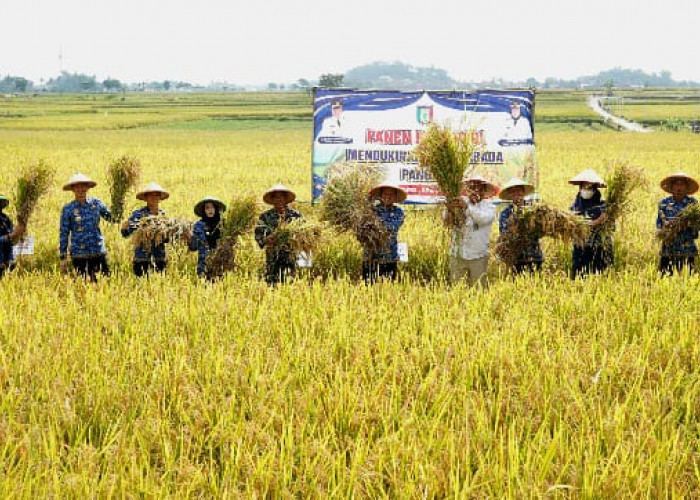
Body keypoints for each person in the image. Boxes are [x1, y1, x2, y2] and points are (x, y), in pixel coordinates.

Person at [59, 173, 113, 282]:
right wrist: (63, 257)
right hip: (79, 254)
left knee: (104, 283)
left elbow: (111, 218)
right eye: (77, 186)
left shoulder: (97, 204)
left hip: (98, 250)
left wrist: (118, 207)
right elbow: (64, 234)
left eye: (83, 185)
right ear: (73, 189)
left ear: (88, 187)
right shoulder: (68, 209)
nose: (81, 189)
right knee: (82, 285)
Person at [446, 175, 498, 287]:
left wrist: (467, 208)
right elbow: (447, 223)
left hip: (478, 255)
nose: (475, 190)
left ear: (484, 190)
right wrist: (449, 210)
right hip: (458, 254)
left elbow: (482, 219)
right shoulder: (460, 201)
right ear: (467, 189)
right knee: (457, 290)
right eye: (471, 187)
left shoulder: (489, 207)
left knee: (478, 290)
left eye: (478, 188)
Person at [255, 184, 303, 285]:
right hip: (273, 259)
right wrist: (268, 239)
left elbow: (306, 237)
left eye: (282, 197)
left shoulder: (296, 215)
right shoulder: (265, 216)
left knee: (295, 285)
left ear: (286, 199)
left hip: (293, 257)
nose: (279, 199)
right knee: (273, 285)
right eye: (276, 197)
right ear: (272, 200)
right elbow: (259, 237)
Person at [569, 169, 613, 278]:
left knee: (600, 278)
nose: (586, 190)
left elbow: (612, 228)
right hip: (581, 249)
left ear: (594, 189)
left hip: (600, 249)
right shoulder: (574, 208)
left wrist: (606, 220)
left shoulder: (605, 207)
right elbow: (572, 226)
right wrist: (596, 222)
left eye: (589, 187)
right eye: (584, 187)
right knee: (579, 277)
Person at [121, 182, 170, 277]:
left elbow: (166, 239)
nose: (154, 197)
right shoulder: (138, 214)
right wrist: (124, 228)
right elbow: (127, 234)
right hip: (142, 258)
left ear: (160, 198)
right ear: (146, 198)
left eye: (156, 195)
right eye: (150, 195)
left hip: (159, 257)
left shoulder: (163, 215)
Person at [656, 171, 699, 275]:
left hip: (687, 248)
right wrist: (665, 226)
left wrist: (687, 224)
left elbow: (698, 225)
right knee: (665, 276)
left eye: (682, 184)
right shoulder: (664, 203)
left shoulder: (693, 204)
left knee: (689, 277)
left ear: (687, 187)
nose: (679, 188)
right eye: (676, 184)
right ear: (671, 187)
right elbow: (659, 223)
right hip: (668, 248)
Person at [498, 178, 543, 274]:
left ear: (523, 192)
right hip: (516, 259)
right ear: (510, 195)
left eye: (518, 190)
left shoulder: (535, 209)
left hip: (534, 256)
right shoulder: (505, 214)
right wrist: (514, 227)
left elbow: (541, 231)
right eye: (513, 192)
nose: (516, 194)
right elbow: (504, 235)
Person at [363, 183, 406, 284]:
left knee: (388, 287)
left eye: (391, 194)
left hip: (389, 255)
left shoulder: (399, 212)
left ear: (395, 197)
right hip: (371, 255)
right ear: (380, 196)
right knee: (368, 286)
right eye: (385, 194)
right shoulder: (371, 210)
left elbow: (392, 227)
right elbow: (363, 226)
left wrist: (374, 226)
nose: (388, 196)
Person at [189, 196, 226, 280]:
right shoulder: (198, 225)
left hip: (219, 264)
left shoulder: (223, 225)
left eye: (212, 207)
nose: (210, 210)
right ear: (204, 211)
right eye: (207, 208)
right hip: (203, 265)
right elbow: (193, 247)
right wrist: (188, 237)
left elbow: (229, 244)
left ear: (216, 209)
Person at [0, 195, 25, 277]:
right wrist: (12, 235)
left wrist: (18, 235)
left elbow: (12, 239)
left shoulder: (5, 218)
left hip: (7, 258)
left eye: (1, 203)